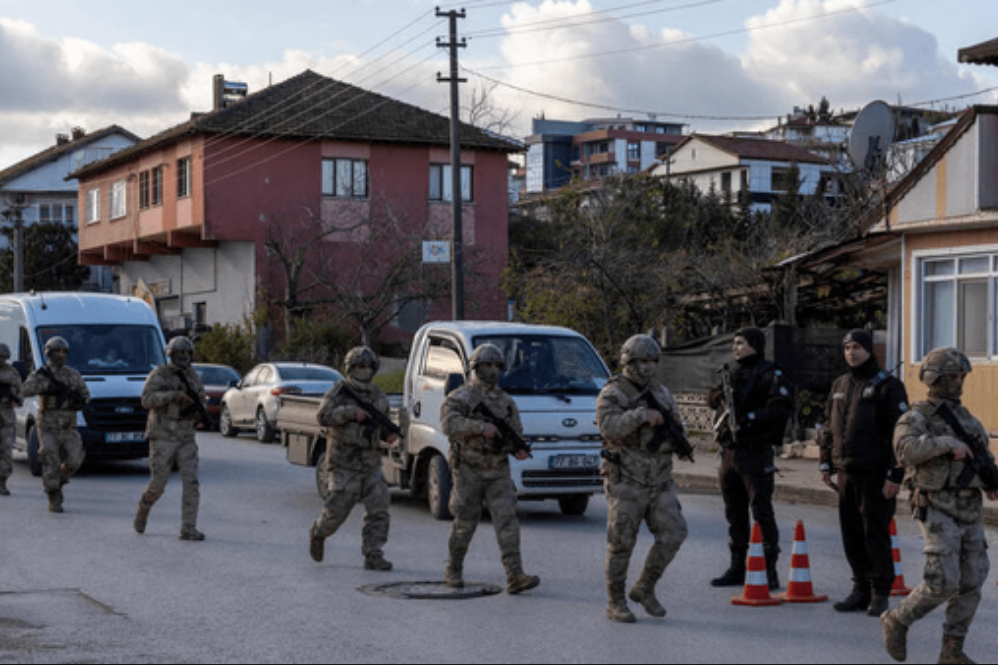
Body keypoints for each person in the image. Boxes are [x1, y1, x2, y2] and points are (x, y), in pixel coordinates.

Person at [881, 347, 998, 664]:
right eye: (952, 376)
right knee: (942, 582)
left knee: (972, 582)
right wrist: (947, 444)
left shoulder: (968, 421)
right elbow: (904, 450)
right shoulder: (916, 417)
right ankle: (897, 620)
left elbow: (982, 459)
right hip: (935, 505)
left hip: (968, 508)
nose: (958, 382)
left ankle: (952, 652)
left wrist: (990, 483)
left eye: (961, 376)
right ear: (935, 378)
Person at [596, 334, 689, 623]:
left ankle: (645, 587)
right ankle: (616, 602)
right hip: (626, 477)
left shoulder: (662, 393)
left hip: (659, 477)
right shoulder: (614, 393)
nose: (647, 367)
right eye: (641, 361)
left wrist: (680, 443)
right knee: (622, 541)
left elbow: (675, 424)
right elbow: (609, 428)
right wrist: (640, 415)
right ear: (628, 361)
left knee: (674, 533)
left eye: (651, 361)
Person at [820, 330, 909, 617]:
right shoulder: (840, 384)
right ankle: (859, 589)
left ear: (869, 350)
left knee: (875, 532)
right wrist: (826, 463)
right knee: (851, 534)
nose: (851, 352)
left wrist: (895, 476)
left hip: (875, 473)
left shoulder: (888, 386)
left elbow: (900, 436)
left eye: (857, 347)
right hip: (846, 471)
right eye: (847, 347)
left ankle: (880, 592)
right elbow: (829, 426)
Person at [441, 343, 540, 595]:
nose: (493, 370)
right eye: (487, 365)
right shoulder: (461, 397)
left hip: (497, 470)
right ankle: (453, 570)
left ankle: (515, 575)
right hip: (468, 469)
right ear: (476, 367)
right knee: (465, 522)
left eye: (497, 366)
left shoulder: (506, 402)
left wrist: (515, 447)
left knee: (507, 521)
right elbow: (449, 423)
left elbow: (515, 432)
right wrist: (479, 428)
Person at [708, 327, 793, 590]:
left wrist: (751, 418)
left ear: (754, 345)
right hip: (730, 452)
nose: (735, 348)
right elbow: (711, 400)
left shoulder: (770, 373)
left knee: (761, 510)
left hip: (755, 451)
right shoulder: (731, 372)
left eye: (740, 343)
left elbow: (780, 408)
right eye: (734, 343)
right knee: (734, 512)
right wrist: (719, 395)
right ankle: (737, 567)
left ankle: (769, 570)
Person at [308, 346, 399, 570]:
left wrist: (389, 435)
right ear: (350, 368)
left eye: (369, 367)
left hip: (370, 463)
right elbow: (323, 416)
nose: (365, 371)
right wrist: (350, 413)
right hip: (343, 463)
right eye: (360, 366)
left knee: (379, 509)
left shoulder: (378, 396)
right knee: (337, 511)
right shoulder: (339, 392)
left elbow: (383, 425)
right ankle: (319, 532)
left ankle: (373, 553)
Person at [134, 336, 207, 540]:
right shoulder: (160, 374)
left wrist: (198, 412)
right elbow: (146, 399)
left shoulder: (192, 376)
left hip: (185, 435)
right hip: (163, 435)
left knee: (191, 481)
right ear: (171, 355)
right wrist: (172, 396)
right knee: (158, 483)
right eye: (179, 353)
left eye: (186, 354)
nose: (183, 357)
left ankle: (188, 527)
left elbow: (201, 397)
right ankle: (144, 507)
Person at [21, 336, 90, 513]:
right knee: (49, 460)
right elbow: (25, 390)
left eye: (64, 352)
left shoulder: (72, 374)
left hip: (68, 426)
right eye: (57, 351)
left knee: (75, 460)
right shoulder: (41, 374)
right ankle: (54, 496)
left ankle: (59, 481)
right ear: (49, 353)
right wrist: (45, 387)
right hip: (48, 426)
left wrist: (78, 401)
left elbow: (85, 394)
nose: (61, 355)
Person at [0, 343, 24, 496]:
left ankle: (2, 481)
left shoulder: (12, 373)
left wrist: (16, 399)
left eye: (3, 357)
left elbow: (20, 393)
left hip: (6, 416)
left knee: (6, 451)